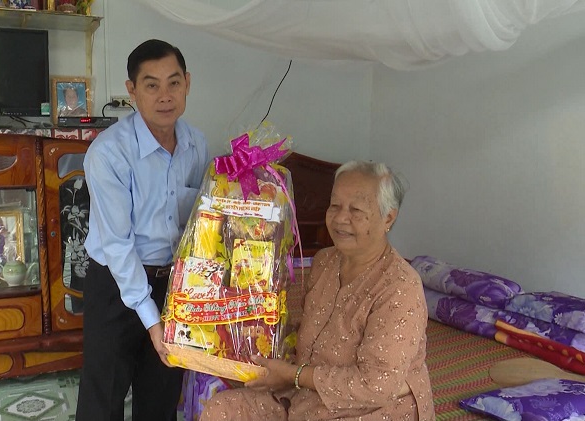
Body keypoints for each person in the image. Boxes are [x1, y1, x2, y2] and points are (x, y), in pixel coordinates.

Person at [201, 161, 435, 421]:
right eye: (334, 205)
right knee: (221, 409)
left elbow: (377, 385)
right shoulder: (325, 261)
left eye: (356, 210)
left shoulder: (400, 287)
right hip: (304, 393)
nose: (340, 218)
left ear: (388, 217)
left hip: (366, 408)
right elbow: (304, 333)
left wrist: (292, 375)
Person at [76, 39, 210, 421]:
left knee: (161, 397)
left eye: (174, 83)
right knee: (103, 399)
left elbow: (198, 224)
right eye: (151, 85)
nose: (165, 96)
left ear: (187, 83)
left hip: (172, 285)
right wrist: (152, 320)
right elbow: (118, 246)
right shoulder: (109, 153)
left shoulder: (196, 145)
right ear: (132, 91)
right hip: (115, 284)